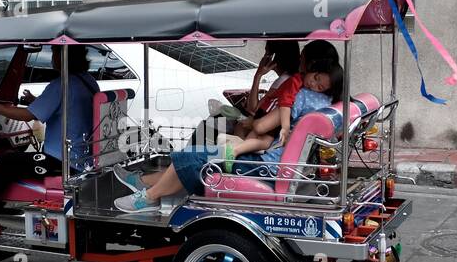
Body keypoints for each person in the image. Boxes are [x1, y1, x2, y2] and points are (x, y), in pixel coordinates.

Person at [112, 62, 343, 213]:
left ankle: (148, 196)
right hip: (276, 164)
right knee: (194, 154)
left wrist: (267, 122)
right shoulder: (328, 106)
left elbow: (262, 124)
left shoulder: (301, 97)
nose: (314, 84)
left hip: (264, 167)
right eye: (315, 79)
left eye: (319, 84)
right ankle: (145, 184)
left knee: (193, 156)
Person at [0, 44, 99, 224]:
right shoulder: (87, 81)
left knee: (7, 160)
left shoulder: (62, 84)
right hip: (83, 159)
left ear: (64, 56)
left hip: (62, 161)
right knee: (15, 159)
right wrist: (35, 101)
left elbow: (29, 115)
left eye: (54, 52)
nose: (52, 57)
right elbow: (65, 107)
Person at [221, 64, 341, 168]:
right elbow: (285, 103)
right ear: (313, 68)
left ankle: (234, 153)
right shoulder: (296, 81)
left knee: (258, 139)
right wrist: (285, 127)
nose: (312, 84)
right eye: (315, 78)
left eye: (319, 88)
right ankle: (234, 150)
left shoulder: (301, 84)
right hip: (270, 109)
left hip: (269, 109)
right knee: (264, 141)